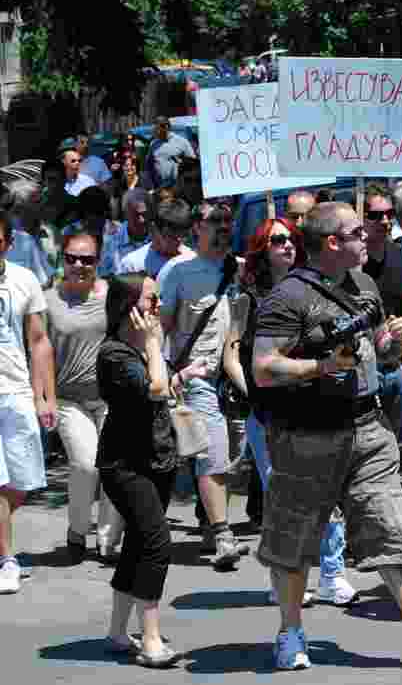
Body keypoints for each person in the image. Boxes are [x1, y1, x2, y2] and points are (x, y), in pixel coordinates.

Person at [252, 202, 402, 670]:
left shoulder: (364, 284)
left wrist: (393, 340)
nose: (369, 237)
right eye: (358, 231)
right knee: (295, 539)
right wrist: (320, 367)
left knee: (390, 524)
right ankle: (290, 632)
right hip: (306, 436)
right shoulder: (288, 297)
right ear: (333, 242)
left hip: (367, 428)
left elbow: (378, 347)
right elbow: (263, 368)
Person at [222, 217, 356, 607]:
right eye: (277, 240)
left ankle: (332, 573)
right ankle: (284, 577)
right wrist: (252, 388)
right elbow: (231, 352)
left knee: (328, 493)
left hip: (315, 402)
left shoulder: (314, 289)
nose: (287, 245)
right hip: (268, 412)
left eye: (291, 239)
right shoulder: (249, 298)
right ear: (262, 249)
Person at [96, 273, 207, 667]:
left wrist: (183, 375)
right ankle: (151, 640)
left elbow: (156, 388)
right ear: (129, 307)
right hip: (125, 465)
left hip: (156, 459)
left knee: (140, 544)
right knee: (157, 543)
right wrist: (156, 344)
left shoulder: (138, 349)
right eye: (151, 300)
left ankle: (116, 631)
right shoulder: (115, 354)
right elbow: (154, 389)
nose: (159, 306)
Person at [158, 200, 245, 568]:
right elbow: (159, 329)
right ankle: (223, 535)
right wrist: (164, 378)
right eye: (215, 221)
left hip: (237, 380)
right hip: (198, 378)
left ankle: (209, 519)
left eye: (228, 220)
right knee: (213, 454)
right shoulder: (178, 271)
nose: (223, 226)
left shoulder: (242, 270)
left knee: (235, 458)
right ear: (197, 226)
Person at [47, 229, 124, 563]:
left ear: (99, 261)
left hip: (111, 398)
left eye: (87, 259)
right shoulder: (47, 300)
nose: (79, 265)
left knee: (114, 467)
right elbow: (37, 351)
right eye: (72, 258)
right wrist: (43, 399)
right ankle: (77, 530)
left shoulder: (114, 295)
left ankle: (108, 540)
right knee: (84, 465)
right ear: (62, 260)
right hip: (68, 399)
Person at [0, 208, 55, 595]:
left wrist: (44, 397)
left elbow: (39, 342)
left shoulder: (24, 280)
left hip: (17, 392)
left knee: (21, 482)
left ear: (8, 243)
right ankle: (7, 559)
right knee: (0, 483)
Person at [361, 183, 402, 447]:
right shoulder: (352, 263)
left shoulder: (398, 252)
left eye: (389, 214)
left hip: (396, 361)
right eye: (375, 215)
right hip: (363, 363)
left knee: (394, 440)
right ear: (360, 217)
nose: (384, 221)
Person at [116, 198, 194, 278]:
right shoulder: (132, 265)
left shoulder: (192, 259)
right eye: (172, 236)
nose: (178, 243)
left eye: (183, 236)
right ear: (154, 229)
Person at [99, 189, 151, 277]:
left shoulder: (160, 241)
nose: (142, 220)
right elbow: (102, 278)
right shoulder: (109, 244)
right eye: (136, 215)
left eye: (145, 214)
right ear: (125, 214)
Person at [144, 117, 196, 189]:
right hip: (161, 187)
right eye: (154, 129)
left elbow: (193, 164)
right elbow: (148, 166)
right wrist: (151, 184)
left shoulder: (182, 142)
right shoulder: (153, 144)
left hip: (179, 186)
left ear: (166, 127)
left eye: (156, 129)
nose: (154, 132)